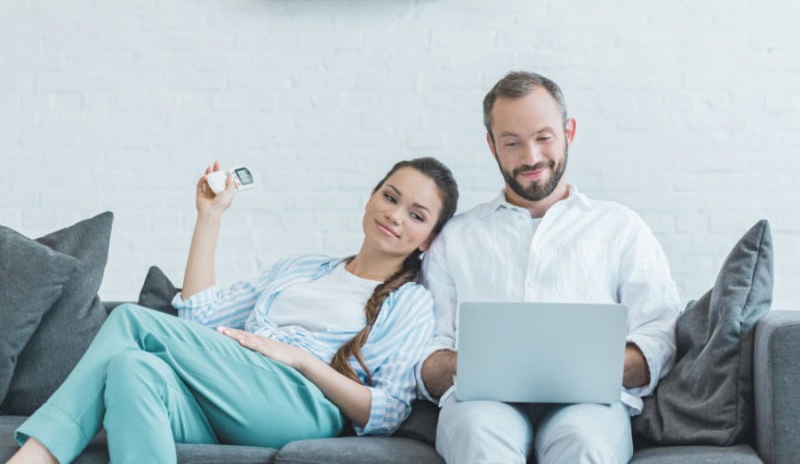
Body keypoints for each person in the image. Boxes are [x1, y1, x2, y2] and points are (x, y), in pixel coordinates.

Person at [10, 156, 459, 464]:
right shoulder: (301, 267)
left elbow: (388, 411)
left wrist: (300, 359)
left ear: (427, 240)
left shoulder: (411, 301)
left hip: (302, 404)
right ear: (371, 197)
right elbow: (199, 317)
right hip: (239, 392)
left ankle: (38, 454)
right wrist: (210, 217)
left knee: (130, 319)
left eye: (417, 215)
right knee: (132, 369)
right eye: (391, 196)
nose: (396, 215)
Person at [418, 71, 681, 463]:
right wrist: (482, 366)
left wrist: (580, 366)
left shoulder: (620, 227)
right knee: (477, 434)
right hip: (482, 403)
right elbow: (426, 352)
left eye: (544, 138)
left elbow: (660, 335)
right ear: (491, 146)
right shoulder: (455, 238)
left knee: (584, 441)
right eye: (512, 142)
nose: (531, 157)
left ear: (568, 132)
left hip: (590, 404)